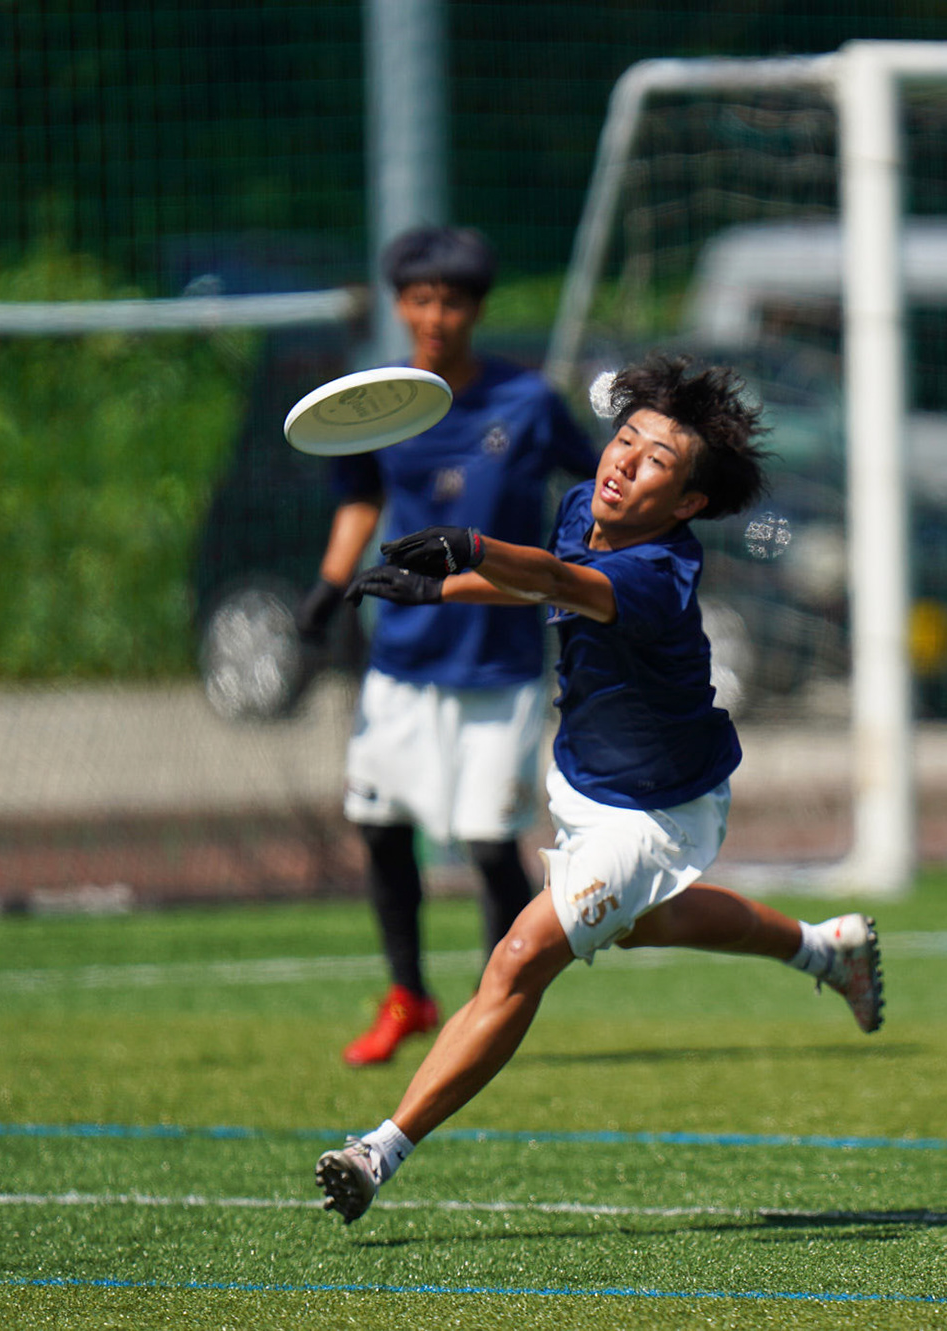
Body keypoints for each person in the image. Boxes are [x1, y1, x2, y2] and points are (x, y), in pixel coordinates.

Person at [314, 353, 885, 1223]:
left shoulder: (658, 573)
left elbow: (555, 579)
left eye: (657, 460)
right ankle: (824, 948)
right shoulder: (585, 504)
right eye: (626, 439)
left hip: (658, 810)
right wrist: (440, 588)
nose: (624, 463)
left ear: (688, 501)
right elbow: (539, 577)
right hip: (589, 782)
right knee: (648, 922)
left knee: (519, 957)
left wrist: (472, 546)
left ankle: (377, 1151)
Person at [297, 226, 597, 1067]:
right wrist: (328, 585)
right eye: (420, 299)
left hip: (499, 663)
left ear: (478, 308)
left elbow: (591, 490)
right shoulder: (380, 404)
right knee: (379, 823)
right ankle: (409, 996)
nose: (436, 316)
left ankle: (494, 1008)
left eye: (453, 301)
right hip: (402, 657)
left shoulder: (526, 402)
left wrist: (580, 572)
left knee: (491, 843)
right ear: (399, 305)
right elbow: (361, 497)